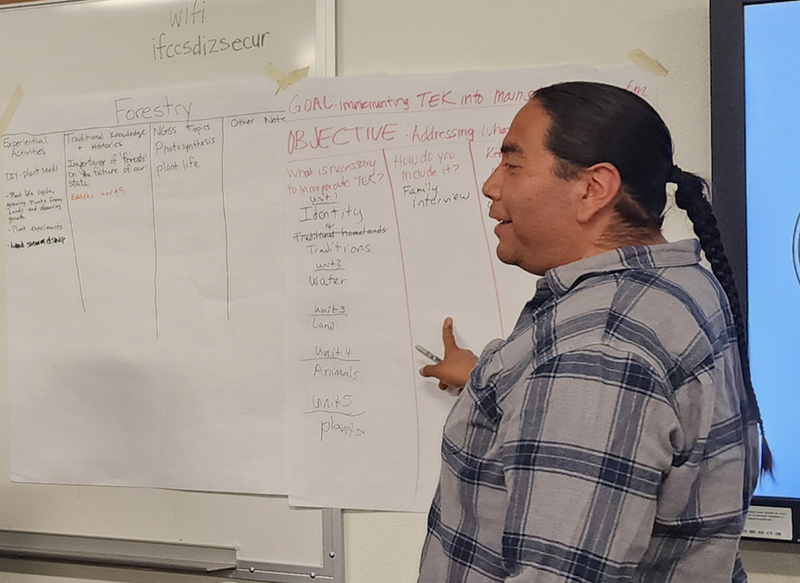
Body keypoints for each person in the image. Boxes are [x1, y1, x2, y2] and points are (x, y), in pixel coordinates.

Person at [417, 81, 770, 583]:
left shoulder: (597, 351)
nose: (492, 185)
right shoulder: (676, 286)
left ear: (593, 189)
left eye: (512, 164)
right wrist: (481, 376)